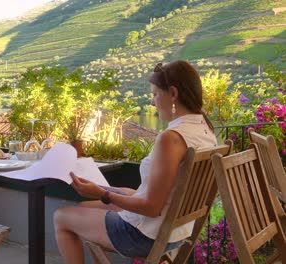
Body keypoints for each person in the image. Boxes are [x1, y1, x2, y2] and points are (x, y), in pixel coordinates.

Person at [53, 60, 217, 263]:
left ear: (173, 94)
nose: (152, 102)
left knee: (61, 216)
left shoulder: (172, 138)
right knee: (87, 206)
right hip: (176, 233)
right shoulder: (205, 132)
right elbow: (158, 197)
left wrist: (103, 194)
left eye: (155, 94)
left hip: (142, 236)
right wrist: (105, 191)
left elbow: (151, 208)